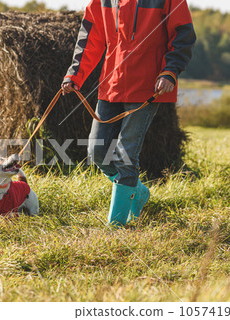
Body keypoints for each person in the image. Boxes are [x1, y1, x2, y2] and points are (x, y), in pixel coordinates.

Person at [62, 0, 196, 226]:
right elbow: (90, 38)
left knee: (125, 156)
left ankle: (115, 226)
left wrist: (169, 71)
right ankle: (137, 191)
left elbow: (183, 36)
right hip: (111, 85)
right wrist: (74, 75)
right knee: (97, 152)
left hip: (147, 87)